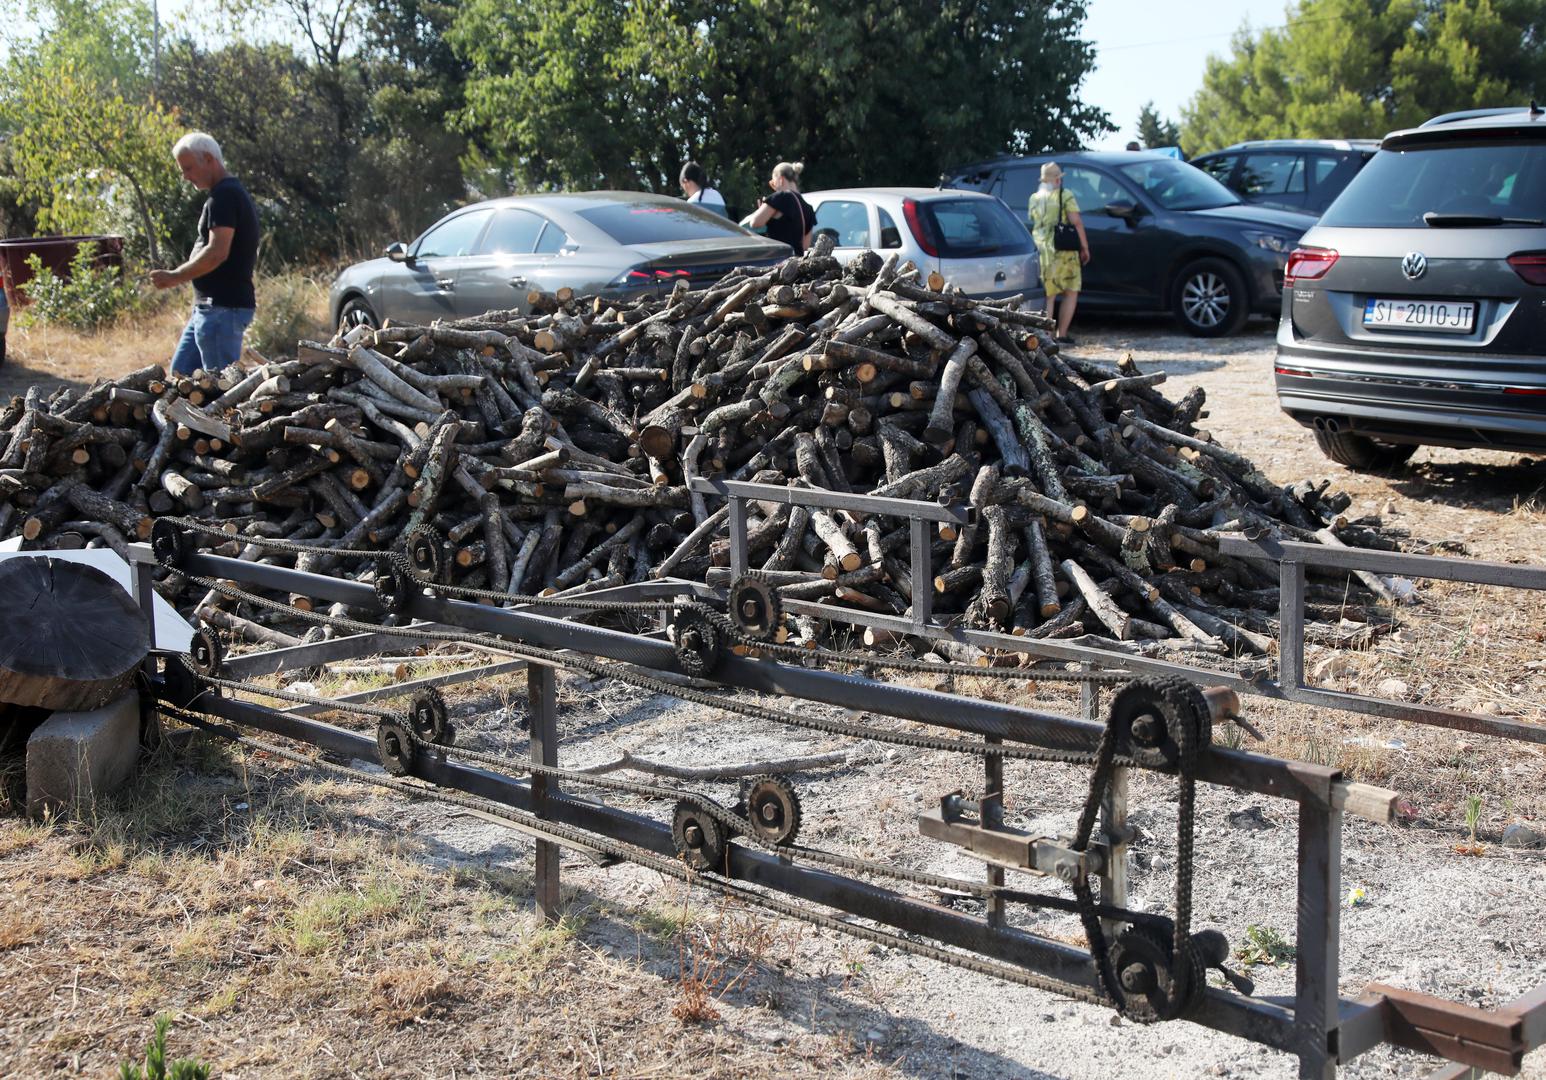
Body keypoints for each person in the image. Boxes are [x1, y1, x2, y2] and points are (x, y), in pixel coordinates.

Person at [151, 132, 260, 375]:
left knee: (218, 388)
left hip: (221, 309)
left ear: (209, 159)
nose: (185, 176)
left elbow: (217, 252)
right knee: (182, 375)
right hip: (211, 309)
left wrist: (175, 276)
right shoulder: (223, 195)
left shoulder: (224, 196)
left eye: (189, 168)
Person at [1028, 162, 1089, 345]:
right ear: (1057, 179)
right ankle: (1061, 334)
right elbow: (1076, 222)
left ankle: (1047, 336)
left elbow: (1034, 221)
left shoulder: (1034, 198)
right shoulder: (1065, 195)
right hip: (1063, 250)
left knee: (1049, 295)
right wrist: (1084, 247)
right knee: (1070, 292)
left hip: (1041, 249)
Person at [746, 161, 814, 255]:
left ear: (781, 179)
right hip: (796, 262)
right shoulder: (808, 208)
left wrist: (761, 210)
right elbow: (805, 245)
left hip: (778, 260)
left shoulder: (780, 197)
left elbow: (754, 223)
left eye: (773, 182)